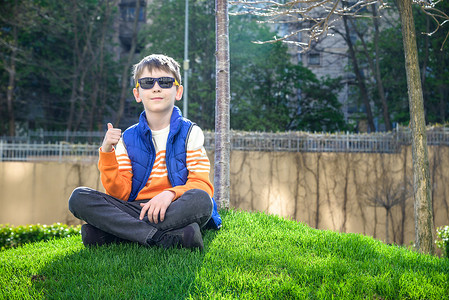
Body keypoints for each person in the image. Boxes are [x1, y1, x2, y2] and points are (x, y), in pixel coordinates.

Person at [68, 54, 221, 250]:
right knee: (79, 197)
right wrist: (107, 153)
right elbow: (120, 194)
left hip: (174, 206)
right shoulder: (127, 139)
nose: (156, 87)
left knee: (201, 200)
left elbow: (201, 185)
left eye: (165, 82)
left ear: (178, 91)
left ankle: (118, 234)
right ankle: (165, 237)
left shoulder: (191, 132)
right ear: (137, 94)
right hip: (137, 208)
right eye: (148, 82)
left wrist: (169, 194)